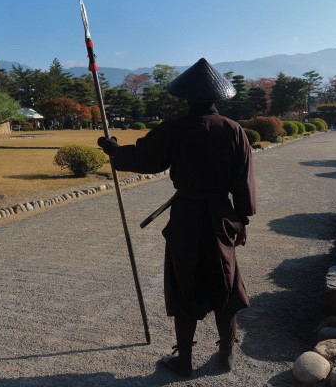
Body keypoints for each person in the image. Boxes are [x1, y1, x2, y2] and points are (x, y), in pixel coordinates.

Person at [98, 58, 256, 377]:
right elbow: (243, 182)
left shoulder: (175, 128)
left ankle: (184, 359)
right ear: (217, 96)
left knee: (185, 281)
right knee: (224, 282)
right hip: (222, 218)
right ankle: (226, 353)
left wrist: (115, 151)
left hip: (187, 216)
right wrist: (242, 221)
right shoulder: (233, 130)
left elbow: (146, 158)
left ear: (186, 96)